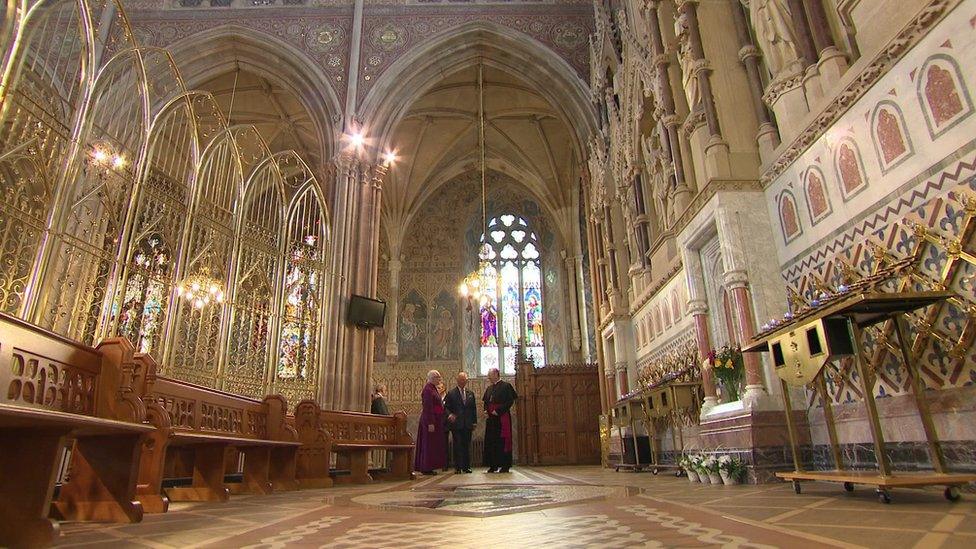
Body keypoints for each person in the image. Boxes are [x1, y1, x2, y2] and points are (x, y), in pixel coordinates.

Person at [482, 367, 517, 473]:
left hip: (502, 418)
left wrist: (498, 410)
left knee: (503, 441)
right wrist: (485, 410)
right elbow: (486, 402)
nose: (488, 377)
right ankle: (493, 465)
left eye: (490, 374)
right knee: (492, 441)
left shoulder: (506, 386)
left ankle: (505, 465)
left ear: (496, 374)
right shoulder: (489, 388)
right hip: (491, 420)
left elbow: (510, 401)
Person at [414, 370, 446, 475]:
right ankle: (426, 467)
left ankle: (430, 466)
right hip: (430, 421)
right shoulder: (428, 389)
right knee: (428, 444)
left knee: (432, 444)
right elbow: (428, 407)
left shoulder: (433, 388)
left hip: (436, 420)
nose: (439, 379)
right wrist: (430, 422)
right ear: (432, 378)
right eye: (438, 377)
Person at [443, 371, 476, 474]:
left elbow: (473, 409)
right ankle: (458, 467)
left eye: (464, 380)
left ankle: (467, 467)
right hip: (456, 424)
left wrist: (474, 422)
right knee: (457, 445)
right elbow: (446, 407)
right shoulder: (451, 393)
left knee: (467, 445)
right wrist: (449, 415)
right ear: (457, 381)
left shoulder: (471, 393)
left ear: (467, 381)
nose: (462, 381)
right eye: (460, 379)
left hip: (468, 424)